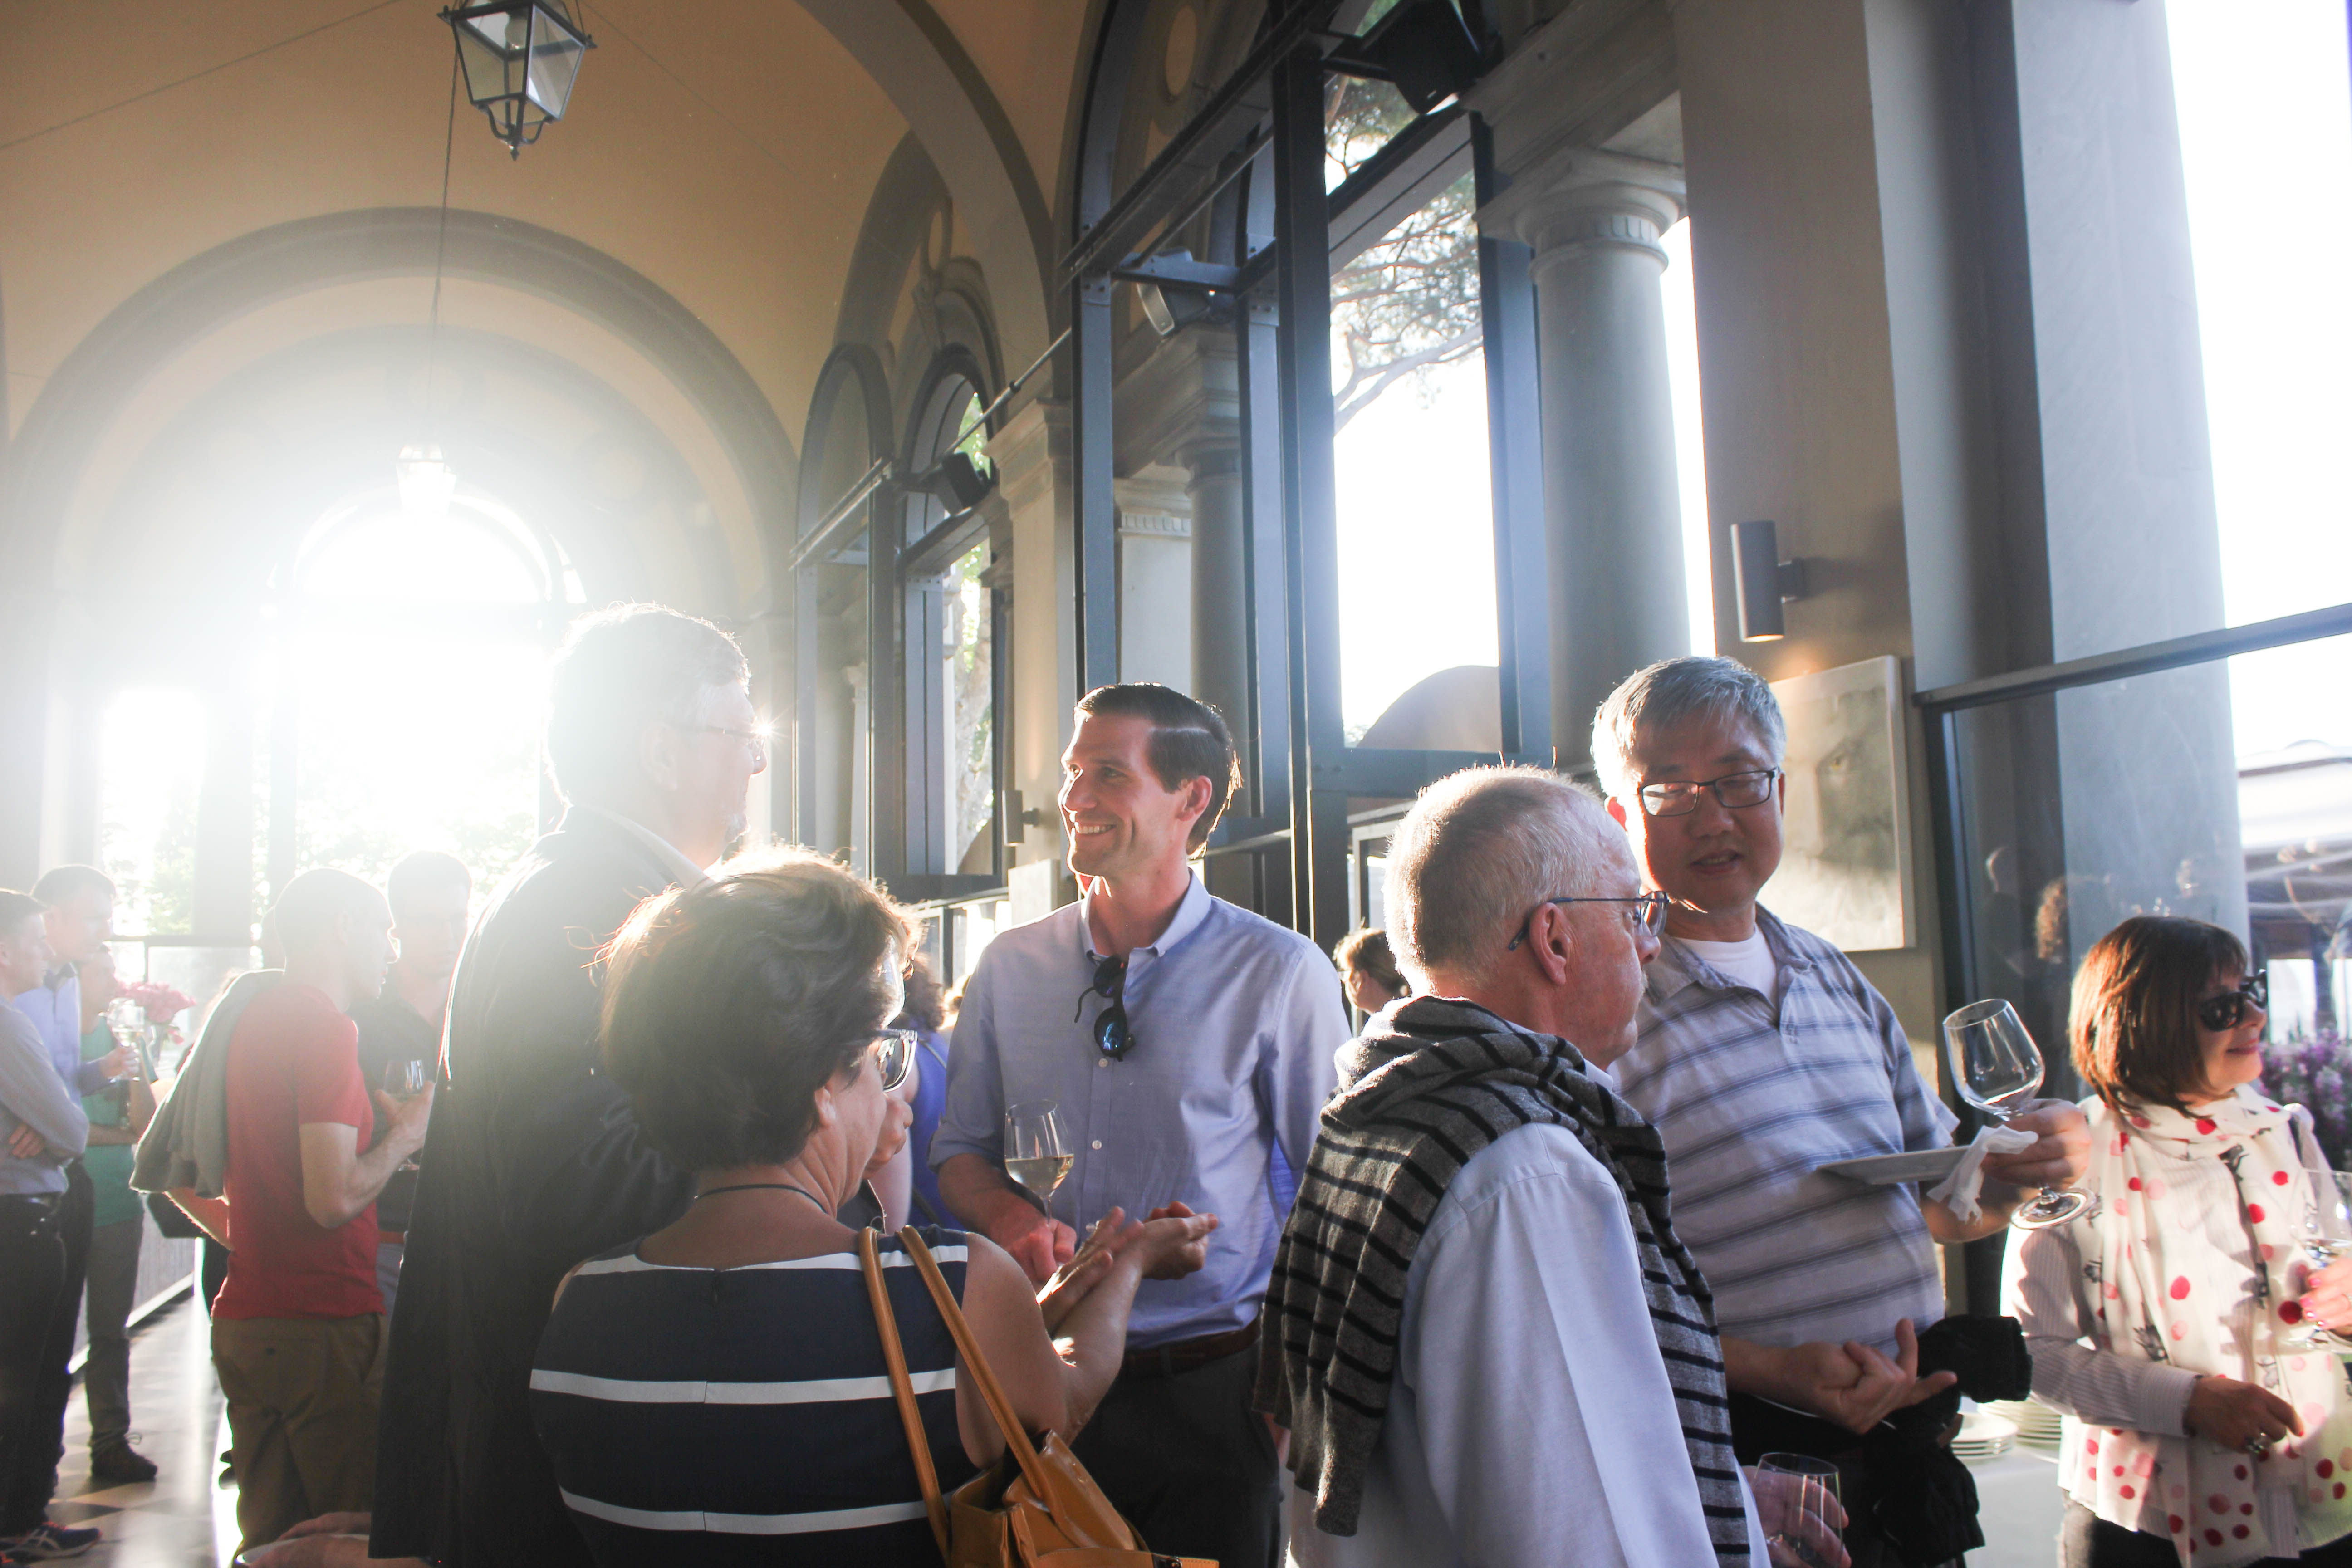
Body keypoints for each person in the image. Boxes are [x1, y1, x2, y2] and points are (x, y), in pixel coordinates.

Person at [529, 850, 1215, 1564]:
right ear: (822, 1085)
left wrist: (1011, 1318)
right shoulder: (953, 1283)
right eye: (880, 1057)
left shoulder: (579, 1302)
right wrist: (1130, 1264)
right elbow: (1062, 1402)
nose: (891, 1091)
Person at [1592, 656, 2092, 1564]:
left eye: (1738, 780)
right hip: (1751, 1475)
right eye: (1669, 791)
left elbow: (1940, 1205)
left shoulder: (1833, 976)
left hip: (1908, 1454)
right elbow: (1595, 1290)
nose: (1712, 816)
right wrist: (1772, 1370)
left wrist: (2019, 1175)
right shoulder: (1610, 1012)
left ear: (1780, 792)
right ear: (1621, 818)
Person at [1264, 767, 1828, 1567]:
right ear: (1554, 940)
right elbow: (1572, 1532)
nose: (1650, 941)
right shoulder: (1524, 1173)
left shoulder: (1388, 1109)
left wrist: (1717, 1492)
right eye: (1632, 911)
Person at [371, 604, 768, 1568]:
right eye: (738, 733)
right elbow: (576, 1185)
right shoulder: (602, 908)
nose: (756, 763)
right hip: (569, 1448)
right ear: (661, 751)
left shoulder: (578, 884)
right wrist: (790, 1150)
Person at [932, 682, 1348, 1568]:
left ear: (1190, 799)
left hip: (1213, 1391)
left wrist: (1287, 1400)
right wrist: (1013, 1218)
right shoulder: (1009, 966)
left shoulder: (1278, 971)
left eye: (1109, 774)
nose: (1074, 797)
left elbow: (1329, 1197)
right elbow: (960, 1155)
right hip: (1038, 1377)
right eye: (1072, 771)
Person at [2007, 916, 2352, 1567]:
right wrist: (2187, 1401)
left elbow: (2334, 1286)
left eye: (2252, 992)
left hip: (2317, 1500)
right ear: (2147, 1025)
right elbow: (2032, 1356)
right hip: (2145, 1527)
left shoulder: (2284, 1131)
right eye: (2223, 1007)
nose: (2255, 1017)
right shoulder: (2072, 1154)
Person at [167, 871, 433, 1557]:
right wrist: (408, 1135)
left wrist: (259, 1243)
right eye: (385, 931)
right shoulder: (324, 1027)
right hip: (323, 1322)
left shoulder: (248, 1019)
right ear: (344, 926)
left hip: (248, 1319)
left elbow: (172, 1171)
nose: (392, 951)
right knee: (348, 1537)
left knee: (270, 1545)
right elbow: (333, 1199)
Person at [0, 891, 97, 1565]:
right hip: (21, 1222)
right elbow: (73, 1129)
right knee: (22, 1384)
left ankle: (20, 1519)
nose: (46, 951)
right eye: (36, 940)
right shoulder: (8, 1024)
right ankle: (13, 1525)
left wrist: (51, 1122)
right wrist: (53, 1123)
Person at [348, 851, 472, 1315]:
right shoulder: (358, 1016)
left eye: (457, 918)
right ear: (394, 927)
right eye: (427, 921)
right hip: (378, 1242)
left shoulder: (486, 1011)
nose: (448, 936)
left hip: (472, 1240)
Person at [72, 946, 160, 1484]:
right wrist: (112, 1133)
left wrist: (132, 1069)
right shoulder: (51, 1035)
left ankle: (110, 1442)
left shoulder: (125, 1038)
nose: (113, 979)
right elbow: (55, 1126)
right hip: (58, 1202)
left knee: (110, 1333)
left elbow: (145, 1125)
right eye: (101, 970)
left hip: (117, 1205)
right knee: (43, 1335)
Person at [895, 959, 952, 1225]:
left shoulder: (896, 1064)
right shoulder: (934, 1043)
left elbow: (889, 1220)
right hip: (959, 1227)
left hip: (921, 1239)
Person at [1331, 926, 1409, 1018]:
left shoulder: (1383, 1024)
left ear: (1363, 978)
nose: (1344, 981)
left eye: (1345, 972)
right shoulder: (1413, 1015)